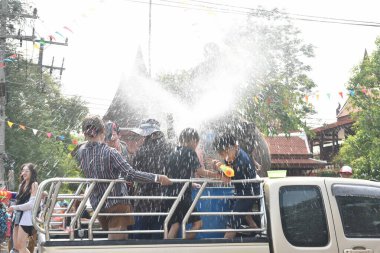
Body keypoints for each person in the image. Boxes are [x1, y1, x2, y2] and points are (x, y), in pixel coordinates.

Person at [75, 115, 172, 240]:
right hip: (116, 202)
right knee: (117, 244)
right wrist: (157, 177)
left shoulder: (81, 152)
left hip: (98, 203)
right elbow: (131, 174)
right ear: (103, 131)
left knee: (121, 241)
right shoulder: (110, 152)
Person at [166, 128, 229, 239]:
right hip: (183, 195)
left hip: (171, 192)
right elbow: (200, 171)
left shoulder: (174, 150)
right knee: (198, 223)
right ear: (193, 140)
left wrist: (191, 183)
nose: (196, 145)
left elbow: (175, 173)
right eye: (197, 142)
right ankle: (183, 246)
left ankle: (166, 249)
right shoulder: (189, 151)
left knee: (175, 224)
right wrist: (218, 176)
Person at [212, 133, 260, 239]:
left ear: (235, 147)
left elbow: (228, 177)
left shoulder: (242, 160)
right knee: (241, 209)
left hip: (249, 192)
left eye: (225, 152)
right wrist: (220, 167)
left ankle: (225, 242)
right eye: (221, 154)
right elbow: (228, 171)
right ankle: (255, 230)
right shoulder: (232, 155)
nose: (224, 156)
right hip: (242, 190)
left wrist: (220, 167)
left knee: (233, 220)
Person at [132, 119, 173, 239]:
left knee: (140, 237)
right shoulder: (168, 148)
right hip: (161, 200)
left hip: (143, 200)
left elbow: (134, 172)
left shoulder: (141, 151)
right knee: (158, 237)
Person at [7, 163, 38, 253]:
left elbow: (31, 204)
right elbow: (18, 199)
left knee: (21, 246)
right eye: (23, 170)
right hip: (17, 216)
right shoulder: (22, 184)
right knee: (16, 247)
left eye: (27, 171)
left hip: (26, 218)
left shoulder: (34, 184)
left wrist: (14, 207)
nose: (24, 173)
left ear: (32, 172)